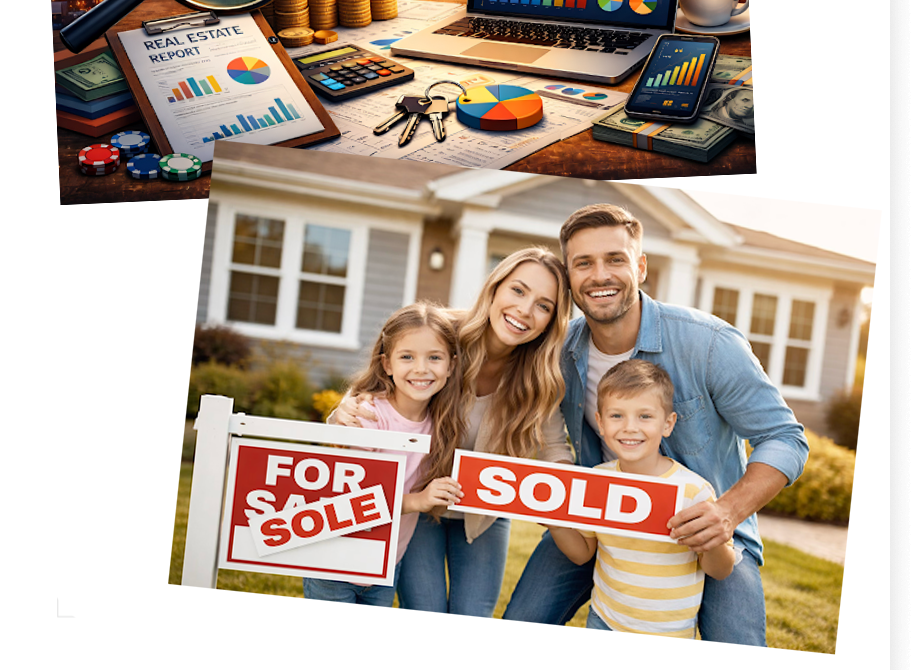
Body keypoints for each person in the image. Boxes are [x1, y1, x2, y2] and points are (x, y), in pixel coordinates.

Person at [503, 204, 809, 646]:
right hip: (601, 520)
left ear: (640, 266)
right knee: (519, 628)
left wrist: (726, 513)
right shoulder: (560, 351)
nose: (599, 275)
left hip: (704, 533)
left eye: (615, 259)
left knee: (741, 659)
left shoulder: (709, 344)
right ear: (569, 278)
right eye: (583, 263)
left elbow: (785, 438)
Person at [333, 247, 573, 617]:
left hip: (483, 513)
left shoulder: (540, 376)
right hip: (420, 500)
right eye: (519, 291)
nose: (525, 310)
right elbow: (385, 374)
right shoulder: (441, 334)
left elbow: (555, 448)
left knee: (471, 617)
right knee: (424, 611)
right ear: (494, 288)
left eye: (544, 305)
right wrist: (346, 407)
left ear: (552, 321)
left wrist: (562, 492)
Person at [549, 359, 735, 638]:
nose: (630, 427)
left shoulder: (693, 491)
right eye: (616, 416)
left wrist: (712, 541)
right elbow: (582, 553)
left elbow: (719, 570)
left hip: (670, 632)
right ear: (600, 422)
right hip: (605, 621)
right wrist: (555, 521)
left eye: (645, 416)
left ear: (668, 424)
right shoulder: (597, 481)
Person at [302, 303, 465, 607]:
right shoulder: (370, 415)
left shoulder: (440, 423)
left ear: (451, 366)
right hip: (335, 563)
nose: (421, 368)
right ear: (386, 363)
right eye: (407, 357)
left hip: (385, 565)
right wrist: (419, 500)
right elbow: (354, 499)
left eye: (434, 357)